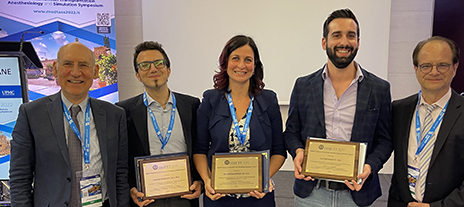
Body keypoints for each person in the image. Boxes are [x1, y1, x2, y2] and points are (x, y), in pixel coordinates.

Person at [283, 8, 392, 207]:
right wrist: (299, 152)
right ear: (324, 42)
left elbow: (385, 140)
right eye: (337, 35)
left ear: (358, 42)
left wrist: (369, 166)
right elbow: (291, 132)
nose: (344, 42)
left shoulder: (379, 88)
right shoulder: (303, 85)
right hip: (311, 194)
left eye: (351, 36)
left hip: (357, 194)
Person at [9, 42, 129, 207]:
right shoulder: (31, 114)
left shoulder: (115, 115)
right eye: (68, 64)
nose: (75, 72)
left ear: (95, 71)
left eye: (83, 65)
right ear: (55, 69)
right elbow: (20, 177)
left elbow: (120, 173)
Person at [388, 36, 464, 207]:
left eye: (442, 65)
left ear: (455, 68)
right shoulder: (399, 109)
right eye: (426, 66)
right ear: (416, 69)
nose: (434, 71)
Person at [193, 35, 286, 207]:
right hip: (218, 197)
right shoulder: (210, 100)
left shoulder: (269, 100)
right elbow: (199, 149)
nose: (242, 65)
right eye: (235, 58)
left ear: (255, 65)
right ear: (225, 62)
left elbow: (279, 152)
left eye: (248, 60)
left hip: (259, 197)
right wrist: (207, 180)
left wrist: (264, 180)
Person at [116, 41, 202, 207]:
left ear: (168, 70)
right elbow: (120, 159)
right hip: (147, 200)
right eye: (145, 65)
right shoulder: (123, 111)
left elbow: (200, 148)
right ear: (137, 75)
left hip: (184, 198)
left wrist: (200, 182)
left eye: (158, 63)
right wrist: (130, 189)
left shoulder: (192, 105)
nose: (153, 69)